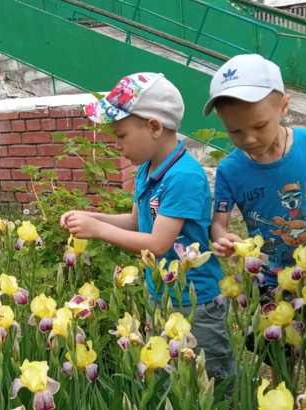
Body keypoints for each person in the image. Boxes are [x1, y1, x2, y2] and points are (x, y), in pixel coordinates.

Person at [60, 72, 234, 381]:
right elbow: (136, 221)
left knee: (207, 381)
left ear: (154, 126)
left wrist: (98, 230)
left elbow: (157, 243)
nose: (117, 145)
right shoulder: (147, 171)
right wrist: (91, 217)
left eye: (122, 135)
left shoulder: (183, 177)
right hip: (161, 295)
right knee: (170, 380)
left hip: (196, 302)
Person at [206, 54, 306, 291]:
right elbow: (219, 224)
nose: (248, 138)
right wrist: (223, 238)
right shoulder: (230, 170)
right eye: (235, 131)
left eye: (260, 126)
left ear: (283, 106)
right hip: (269, 281)